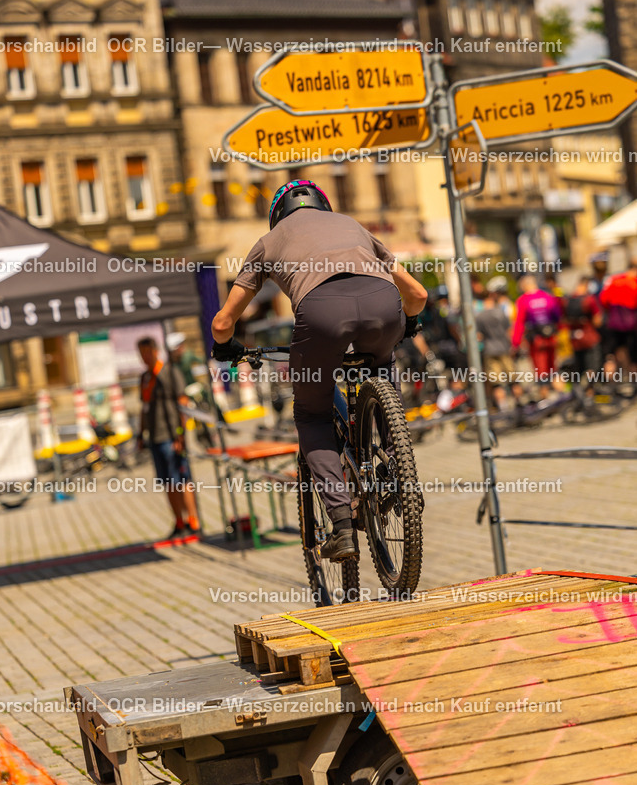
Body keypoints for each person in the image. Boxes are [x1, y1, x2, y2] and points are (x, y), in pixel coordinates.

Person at [210, 179, 427, 561]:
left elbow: (223, 321)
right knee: (382, 368)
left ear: (278, 214)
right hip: (383, 305)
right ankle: (400, 475)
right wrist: (407, 323)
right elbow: (419, 294)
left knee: (312, 414)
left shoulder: (270, 240)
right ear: (323, 207)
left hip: (321, 314)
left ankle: (342, 526)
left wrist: (227, 347)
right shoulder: (353, 226)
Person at [137, 337, 201, 540]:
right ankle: (179, 522)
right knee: (167, 482)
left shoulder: (170, 373)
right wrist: (141, 433)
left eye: (147, 352)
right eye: (141, 353)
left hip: (171, 436)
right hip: (155, 436)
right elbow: (144, 409)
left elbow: (182, 404)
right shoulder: (145, 377)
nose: (144, 357)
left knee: (182, 479)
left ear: (155, 351)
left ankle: (193, 520)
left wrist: (180, 435)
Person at [511, 275, 563, 397]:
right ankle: (563, 397)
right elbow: (557, 316)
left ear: (524, 286)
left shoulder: (523, 300)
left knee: (541, 372)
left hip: (536, 341)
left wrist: (515, 343)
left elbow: (519, 324)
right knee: (553, 368)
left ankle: (546, 400)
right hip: (550, 338)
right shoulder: (548, 296)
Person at [476, 283, 517, 409]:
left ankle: (503, 407)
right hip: (504, 348)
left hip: (490, 350)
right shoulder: (501, 312)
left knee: (497, 383)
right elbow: (509, 330)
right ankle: (519, 405)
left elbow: (478, 337)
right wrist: (512, 345)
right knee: (513, 380)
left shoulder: (480, 316)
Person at [599, 262, 637, 374]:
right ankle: (632, 378)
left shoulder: (614, 280)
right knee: (633, 354)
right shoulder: (633, 282)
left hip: (614, 323)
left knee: (618, 351)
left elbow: (603, 300)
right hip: (631, 325)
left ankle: (622, 376)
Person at [564, 276, 603, 383]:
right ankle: (591, 390)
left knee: (579, 368)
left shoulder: (567, 300)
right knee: (592, 367)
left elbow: (563, 319)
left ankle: (580, 392)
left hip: (575, 339)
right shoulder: (589, 299)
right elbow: (597, 321)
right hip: (589, 338)